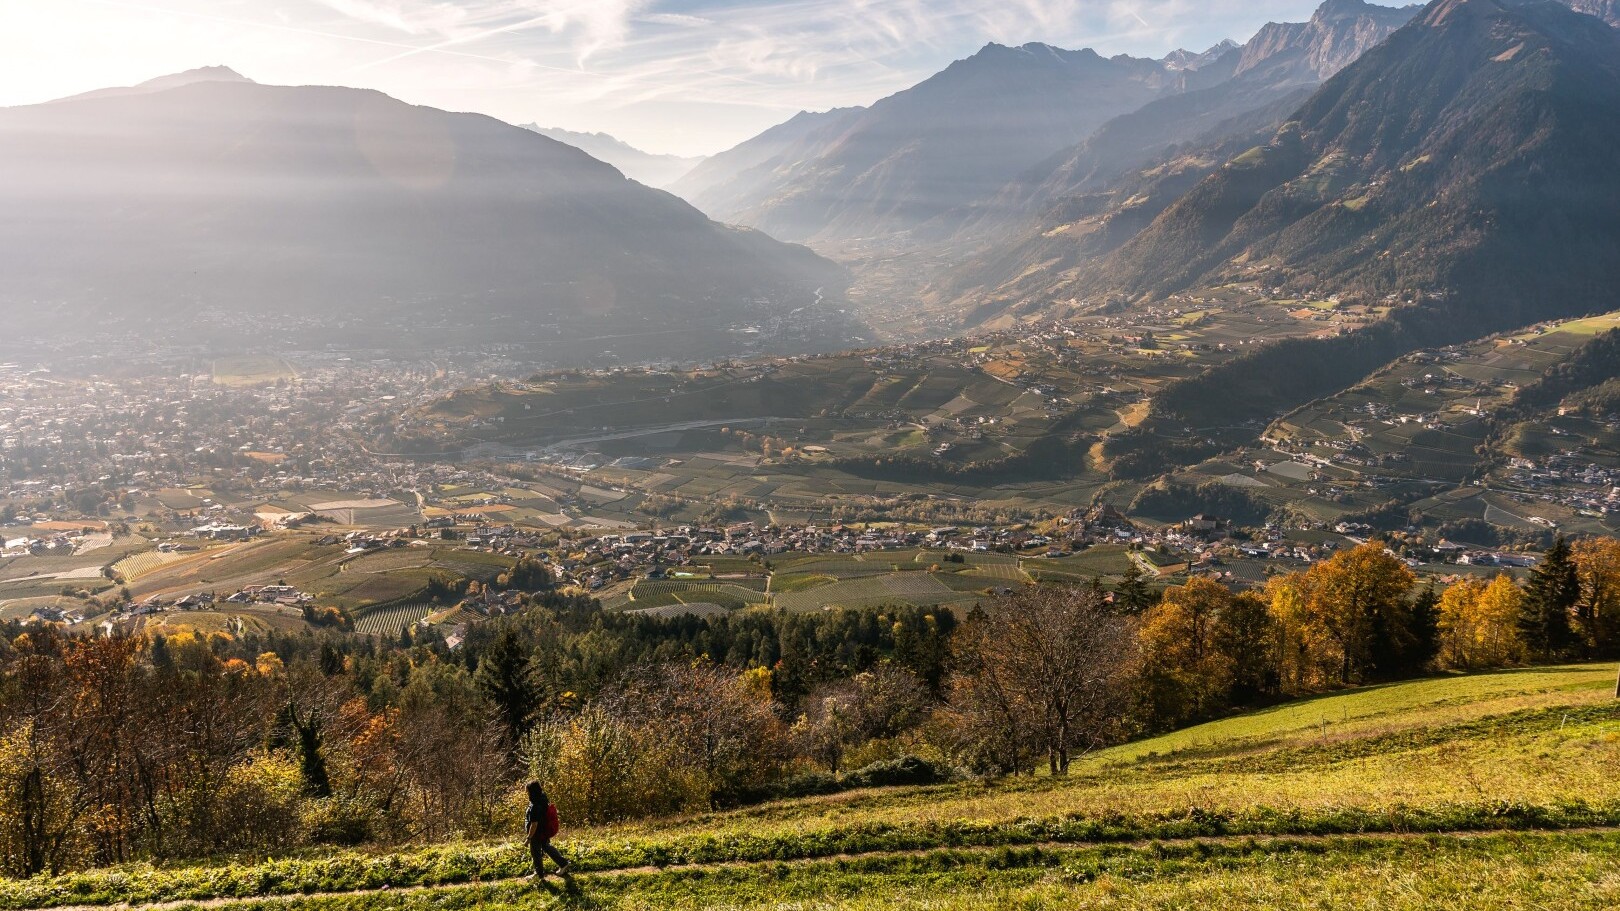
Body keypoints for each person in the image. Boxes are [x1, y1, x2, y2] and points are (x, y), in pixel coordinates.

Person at [524, 780, 570, 878]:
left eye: (527, 791)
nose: (526, 793)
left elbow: (534, 824)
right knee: (546, 847)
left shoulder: (535, 806)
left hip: (537, 832)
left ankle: (539, 874)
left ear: (532, 792)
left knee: (535, 852)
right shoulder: (543, 797)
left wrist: (528, 838)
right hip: (544, 829)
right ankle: (563, 863)